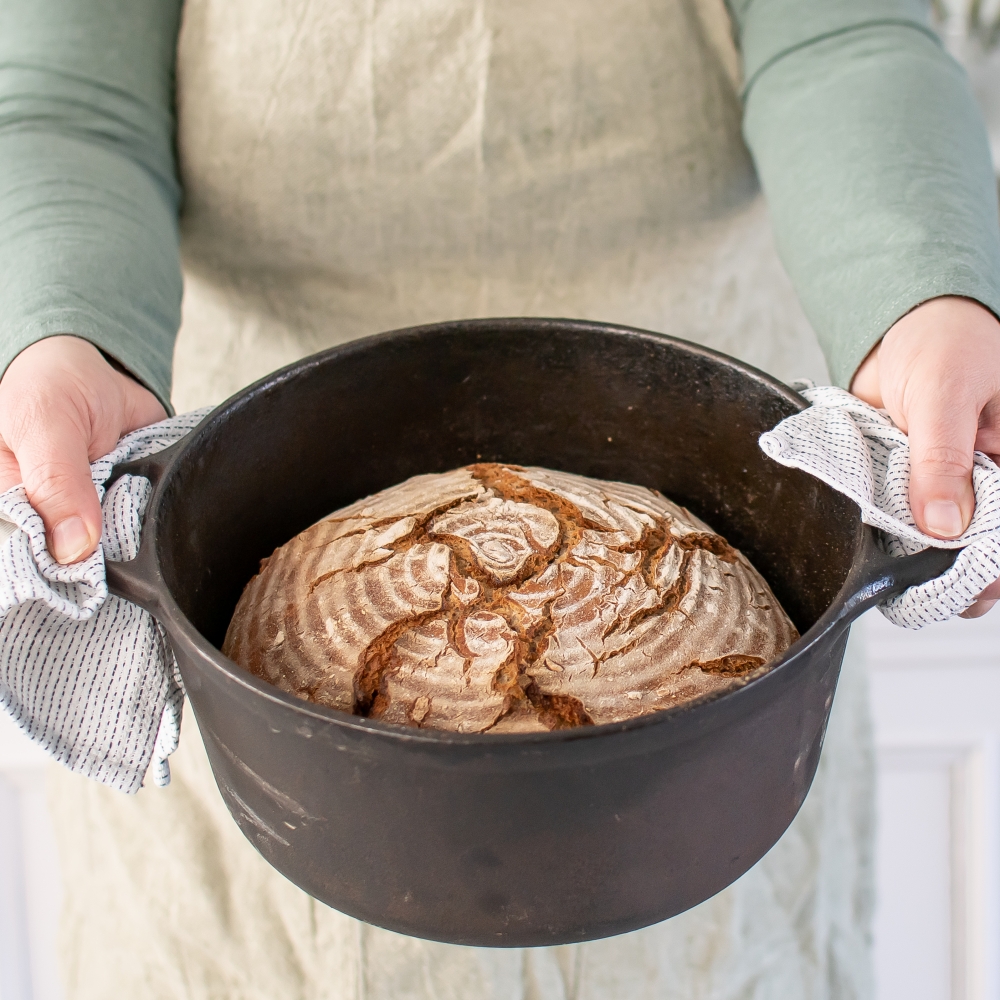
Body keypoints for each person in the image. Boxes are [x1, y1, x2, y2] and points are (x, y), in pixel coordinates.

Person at [0, 0, 999, 997]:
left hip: (717, 556)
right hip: (234, 488)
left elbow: (840, 38)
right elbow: (73, 102)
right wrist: (65, 331)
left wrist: (916, 300)